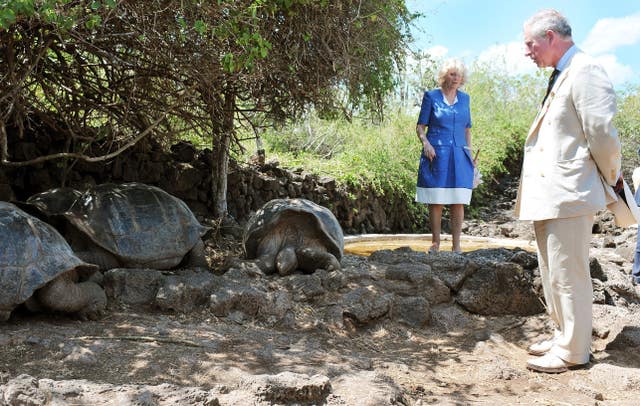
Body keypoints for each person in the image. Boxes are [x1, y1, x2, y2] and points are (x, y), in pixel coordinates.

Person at [515, 9, 622, 373]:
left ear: (550, 37)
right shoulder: (563, 73)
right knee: (552, 271)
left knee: (570, 271)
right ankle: (564, 334)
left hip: (571, 191)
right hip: (550, 194)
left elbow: (602, 133)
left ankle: (575, 351)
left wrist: (613, 177)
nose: (527, 52)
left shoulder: (586, 70)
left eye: (530, 43)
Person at [415, 58, 475, 254]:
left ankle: (457, 246)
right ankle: (435, 244)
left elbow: (467, 129)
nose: (456, 77)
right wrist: (426, 144)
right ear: (444, 76)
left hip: (460, 154)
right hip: (437, 153)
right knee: (437, 199)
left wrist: (470, 153)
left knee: (459, 200)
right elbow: (420, 127)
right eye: (452, 74)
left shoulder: (465, 99)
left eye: (458, 74)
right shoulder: (431, 97)